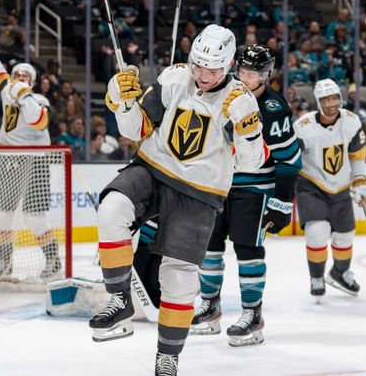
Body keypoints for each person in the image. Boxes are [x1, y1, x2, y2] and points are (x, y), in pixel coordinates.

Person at [87, 25, 267, 374]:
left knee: (179, 276)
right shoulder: (175, 78)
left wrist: (249, 129)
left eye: (212, 69)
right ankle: (119, 298)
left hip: (199, 192)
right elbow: (135, 130)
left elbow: (251, 163)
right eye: (197, 65)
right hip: (153, 168)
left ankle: (168, 355)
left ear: (229, 65)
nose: (202, 75)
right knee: (111, 209)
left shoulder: (239, 100)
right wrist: (121, 102)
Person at [190, 45, 301, 346]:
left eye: (255, 73)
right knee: (209, 249)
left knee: (248, 251)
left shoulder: (274, 108)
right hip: (218, 185)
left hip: (255, 188)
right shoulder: (221, 93)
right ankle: (210, 306)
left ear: (266, 75)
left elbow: (290, 160)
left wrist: (281, 203)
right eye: (244, 71)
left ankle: (253, 315)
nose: (248, 78)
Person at [0, 36, 60, 281]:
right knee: (0, 214)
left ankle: (53, 260)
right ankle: (5, 262)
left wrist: (23, 95)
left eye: (26, 76)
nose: (21, 78)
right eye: (18, 75)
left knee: (34, 217)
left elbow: (40, 121)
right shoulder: (8, 92)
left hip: (36, 161)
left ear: (32, 81)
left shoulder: (38, 99)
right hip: (12, 160)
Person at [293, 79, 366, 299]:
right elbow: (291, 159)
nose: (332, 103)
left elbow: (357, 155)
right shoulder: (302, 127)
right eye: (326, 100)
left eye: (335, 98)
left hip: (341, 187)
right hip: (311, 185)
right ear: (318, 102)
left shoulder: (351, 121)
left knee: (345, 235)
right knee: (317, 232)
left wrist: (360, 180)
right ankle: (317, 276)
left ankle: (340, 272)